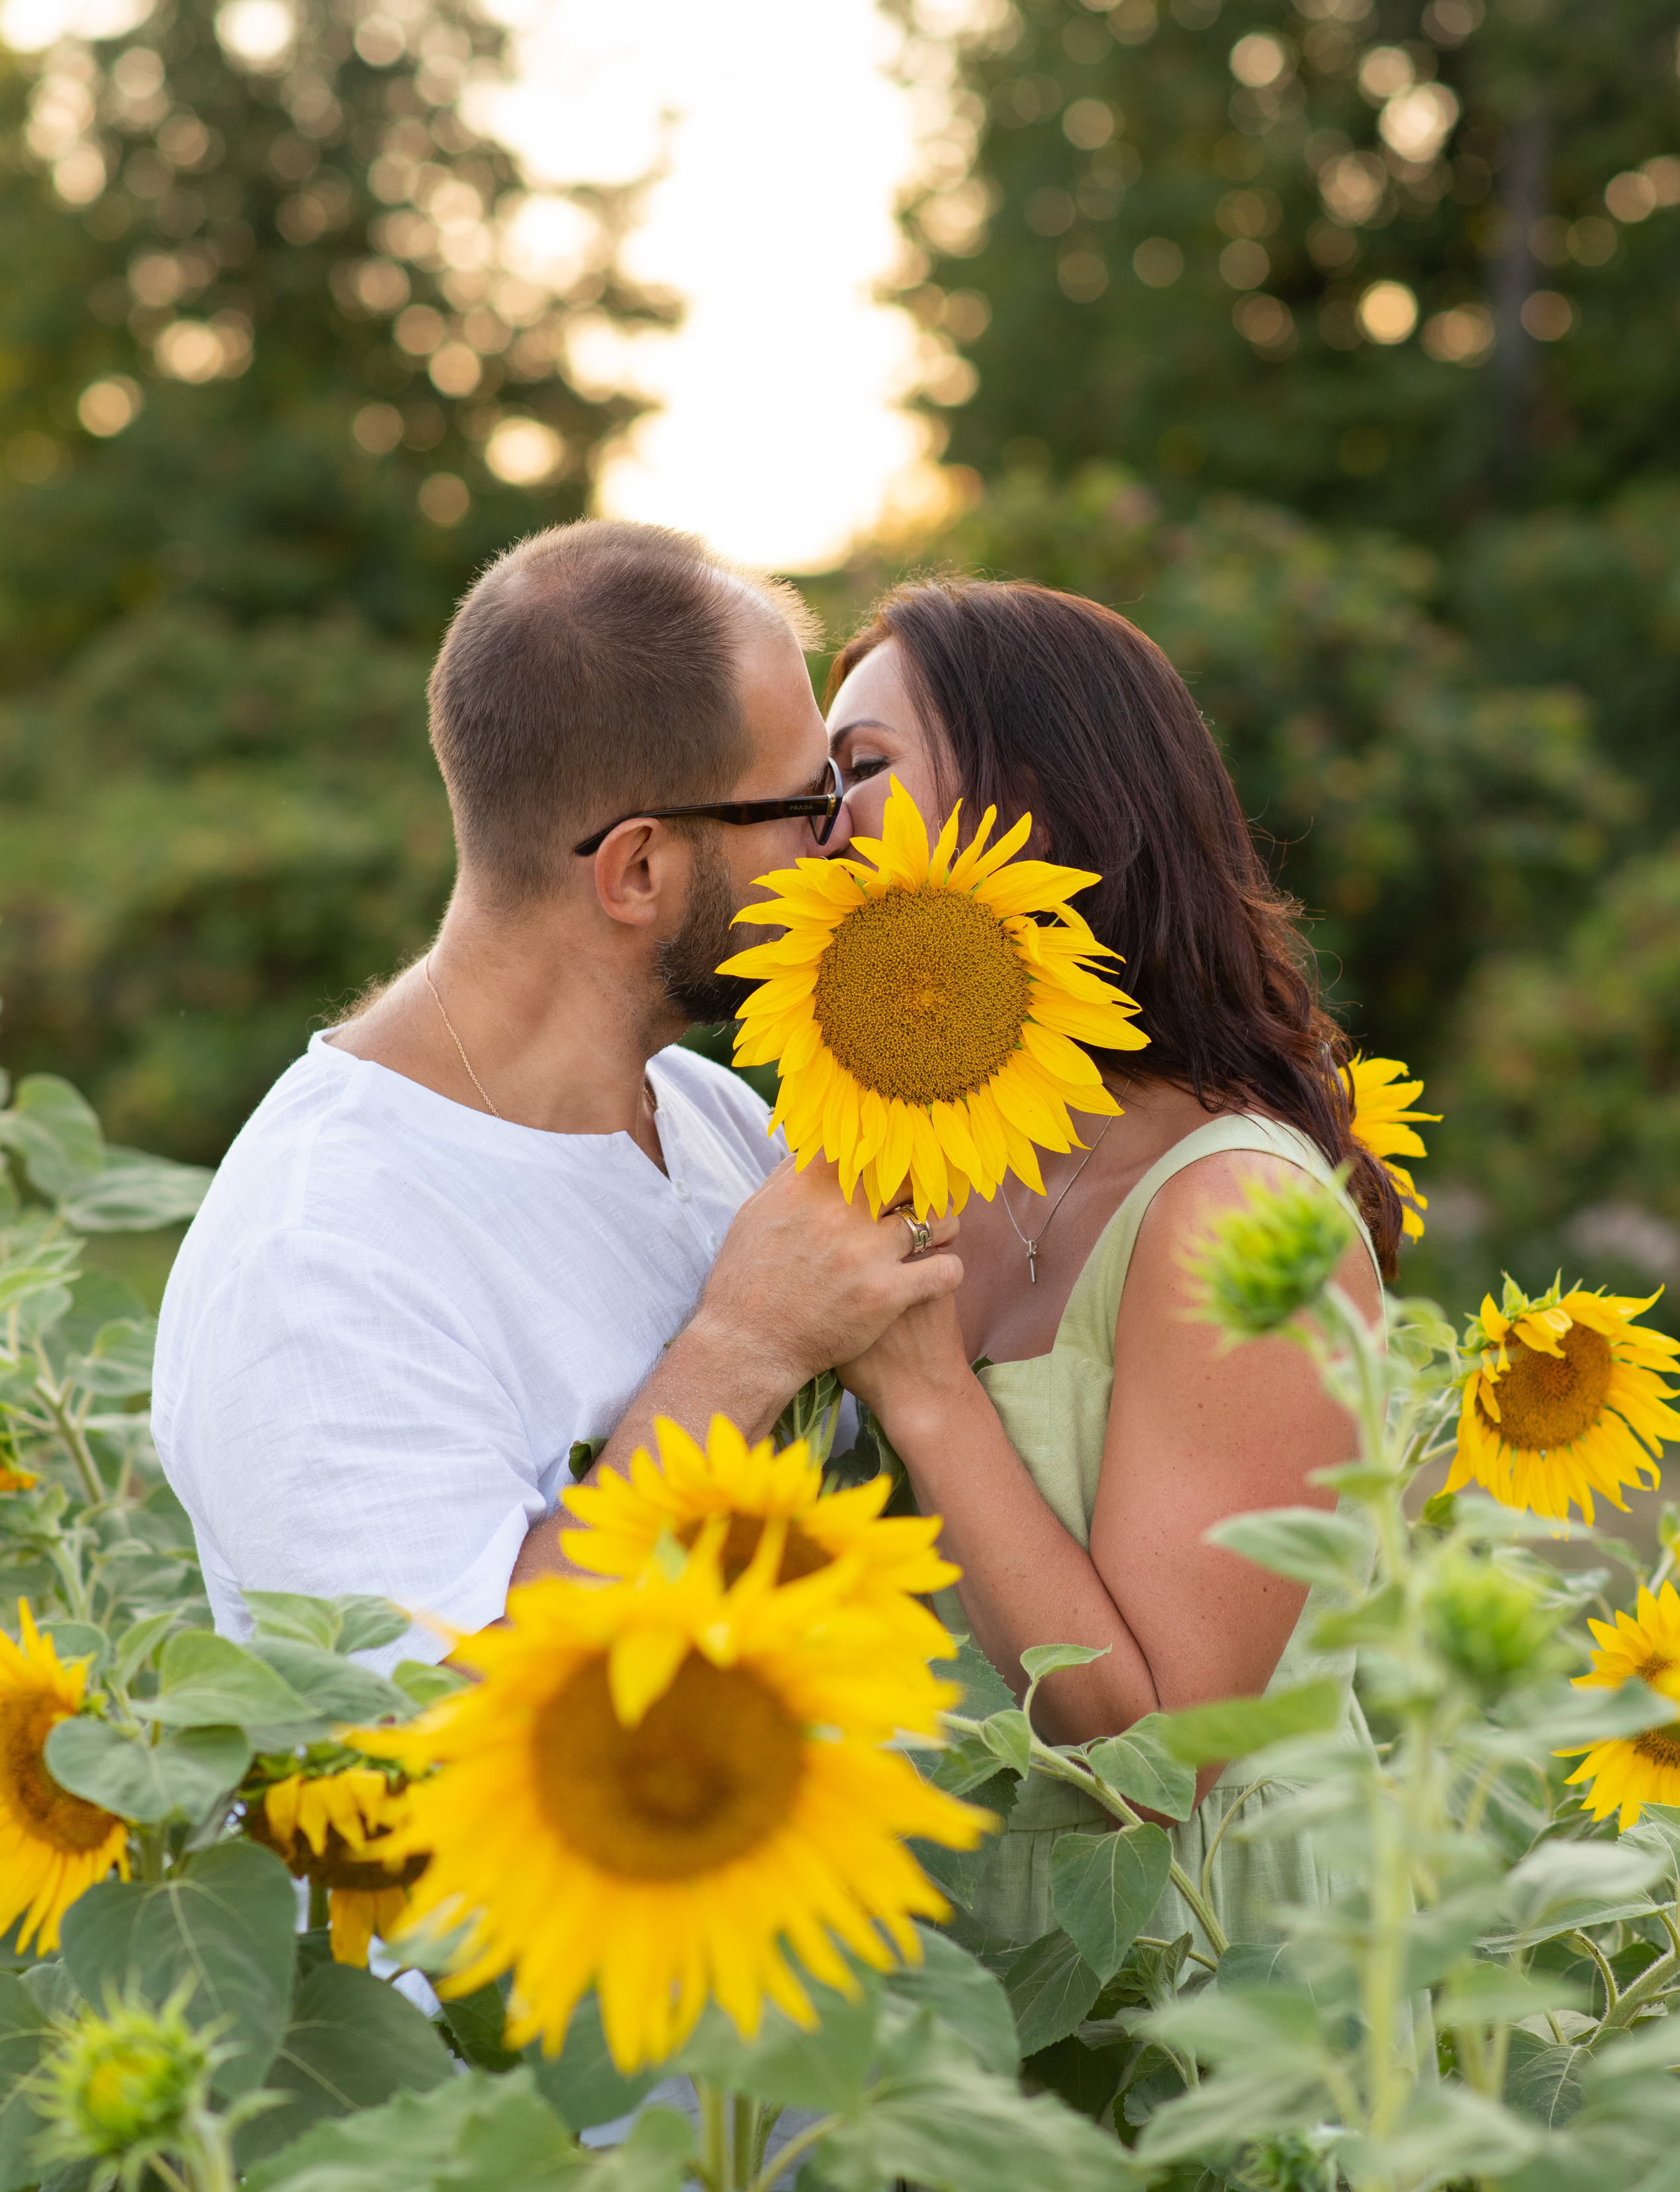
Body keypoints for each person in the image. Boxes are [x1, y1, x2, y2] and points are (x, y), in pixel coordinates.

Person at [152, 521, 961, 1670]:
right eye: (805, 802)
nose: (842, 842)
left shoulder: (707, 1112)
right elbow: (445, 1722)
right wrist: (739, 1348)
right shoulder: (323, 1248)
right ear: (637, 868)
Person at [812, 575, 1399, 1950]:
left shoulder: (1239, 1211)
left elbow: (1164, 1757)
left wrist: (925, 1393)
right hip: (964, 1966)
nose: (815, 825)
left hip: (1191, 1986)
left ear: (1028, 788)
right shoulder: (925, 1165)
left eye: (860, 771)